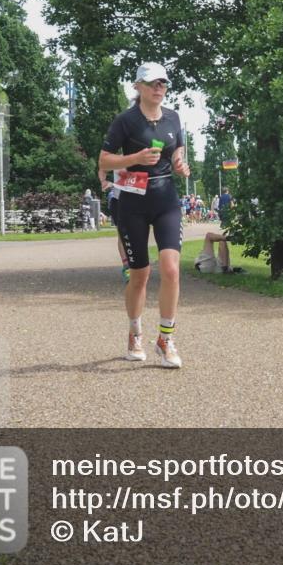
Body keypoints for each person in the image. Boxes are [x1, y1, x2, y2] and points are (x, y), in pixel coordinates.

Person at [98, 62, 191, 369]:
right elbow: (104, 160)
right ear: (137, 86)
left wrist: (180, 164)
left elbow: (178, 151)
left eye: (163, 82)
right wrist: (135, 158)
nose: (159, 87)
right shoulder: (125, 121)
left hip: (165, 198)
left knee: (171, 268)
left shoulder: (174, 118)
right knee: (140, 275)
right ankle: (135, 332)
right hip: (132, 201)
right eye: (152, 82)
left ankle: (165, 339)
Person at [99, 168, 129, 283]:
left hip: (137, 199)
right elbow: (102, 166)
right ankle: (126, 266)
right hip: (119, 200)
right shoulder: (116, 157)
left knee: (138, 233)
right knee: (121, 233)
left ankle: (138, 265)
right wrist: (103, 181)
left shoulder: (141, 154)